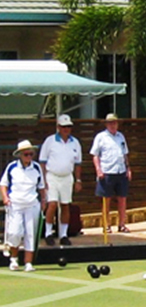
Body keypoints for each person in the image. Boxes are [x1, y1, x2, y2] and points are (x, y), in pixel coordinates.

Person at [0, 141, 46, 272]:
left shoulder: (36, 167)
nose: (29, 156)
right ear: (20, 155)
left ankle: (28, 263)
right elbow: (3, 184)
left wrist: (43, 201)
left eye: (31, 154)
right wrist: (5, 198)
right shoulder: (12, 167)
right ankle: (14, 259)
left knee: (30, 234)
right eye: (26, 154)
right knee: (15, 233)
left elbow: (41, 187)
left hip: (32, 204)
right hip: (15, 204)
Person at [39, 114, 82, 246]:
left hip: (67, 177)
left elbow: (78, 163)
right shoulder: (50, 141)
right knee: (52, 204)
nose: (66, 129)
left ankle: (63, 234)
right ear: (58, 127)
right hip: (52, 176)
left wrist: (78, 180)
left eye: (68, 126)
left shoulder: (75, 142)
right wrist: (43, 181)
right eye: (63, 127)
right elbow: (42, 161)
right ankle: (48, 233)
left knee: (65, 205)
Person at [90, 113, 132, 232]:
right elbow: (95, 155)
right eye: (110, 123)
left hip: (120, 170)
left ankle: (122, 224)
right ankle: (106, 225)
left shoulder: (121, 136)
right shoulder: (100, 137)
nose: (112, 125)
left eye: (114, 123)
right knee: (106, 200)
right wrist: (98, 170)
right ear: (106, 124)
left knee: (122, 198)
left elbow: (125, 154)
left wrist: (128, 168)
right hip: (107, 171)